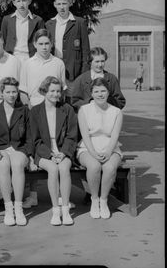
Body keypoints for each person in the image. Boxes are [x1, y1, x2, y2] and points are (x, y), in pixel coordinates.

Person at [29, 76, 77, 226]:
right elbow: (35, 139)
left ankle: (65, 209)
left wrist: (63, 153)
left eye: (58, 91)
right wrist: (50, 154)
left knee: (63, 168)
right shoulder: (35, 111)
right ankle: (55, 210)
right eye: (52, 91)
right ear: (44, 91)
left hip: (63, 151)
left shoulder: (67, 109)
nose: (55, 94)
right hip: (43, 152)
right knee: (52, 169)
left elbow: (72, 135)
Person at [0, 77, 32, 226]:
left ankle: (18, 208)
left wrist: (27, 153)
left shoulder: (24, 111)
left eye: (14, 91)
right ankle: (8, 208)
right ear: (2, 93)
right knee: (4, 163)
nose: (12, 95)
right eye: (8, 92)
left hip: (19, 149)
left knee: (17, 163)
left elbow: (30, 137)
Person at [76, 77, 123, 219]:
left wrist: (109, 152)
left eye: (103, 91)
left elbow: (115, 136)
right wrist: (93, 153)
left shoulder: (116, 112)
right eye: (96, 91)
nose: (100, 94)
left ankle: (103, 200)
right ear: (91, 93)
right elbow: (85, 135)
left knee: (109, 168)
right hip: (88, 148)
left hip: (110, 147)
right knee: (94, 166)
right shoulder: (84, 110)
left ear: (108, 93)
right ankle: (94, 199)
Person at [45, 0, 90, 101]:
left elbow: (85, 50)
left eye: (64, 3)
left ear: (70, 3)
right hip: (54, 68)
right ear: (55, 5)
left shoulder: (79, 23)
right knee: (55, 100)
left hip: (74, 72)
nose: (62, 7)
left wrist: (84, 74)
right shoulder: (49, 24)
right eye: (59, 4)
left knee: (73, 101)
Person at [19, 29, 66, 108]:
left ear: (51, 44)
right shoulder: (27, 64)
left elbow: (63, 90)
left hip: (54, 107)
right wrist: (28, 106)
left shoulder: (59, 63)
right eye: (40, 44)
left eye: (47, 43)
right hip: (33, 106)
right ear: (35, 44)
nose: (44, 47)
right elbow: (23, 92)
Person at [72, 47, 126, 112]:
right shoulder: (81, 80)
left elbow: (120, 101)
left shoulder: (112, 79)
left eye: (102, 61)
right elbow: (74, 101)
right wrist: (89, 103)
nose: (100, 65)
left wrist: (106, 103)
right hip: (87, 118)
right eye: (97, 62)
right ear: (90, 62)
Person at [1, 0, 45, 65]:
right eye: (18, 1)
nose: (21, 4)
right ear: (14, 3)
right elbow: (3, 40)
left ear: (29, 1)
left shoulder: (38, 20)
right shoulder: (7, 20)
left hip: (31, 59)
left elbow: (42, 42)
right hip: (11, 58)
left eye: (24, 1)